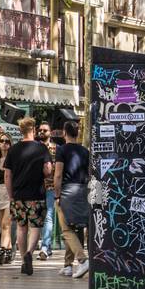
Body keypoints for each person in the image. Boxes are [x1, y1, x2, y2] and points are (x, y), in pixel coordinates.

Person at [3, 117, 53, 277]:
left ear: (20, 130)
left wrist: (11, 195)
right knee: (36, 227)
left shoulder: (13, 149)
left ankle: (24, 259)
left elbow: (7, 175)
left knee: (21, 228)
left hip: (18, 195)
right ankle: (30, 253)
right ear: (33, 129)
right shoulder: (41, 148)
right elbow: (48, 170)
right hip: (37, 194)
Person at [52, 119, 91, 277]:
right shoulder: (85, 151)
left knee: (67, 228)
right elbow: (89, 172)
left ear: (64, 132)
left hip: (67, 191)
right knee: (78, 227)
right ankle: (68, 265)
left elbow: (58, 174)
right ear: (78, 133)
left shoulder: (61, 150)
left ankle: (82, 260)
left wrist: (57, 194)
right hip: (82, 190)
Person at [35, 120, 57, 261]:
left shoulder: (56, 149)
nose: (42, 132)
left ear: (50, 132)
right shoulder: (34, 148)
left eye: (45, 130)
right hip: (35, 187)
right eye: (40, 130)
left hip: (50, 187)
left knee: (48, 216)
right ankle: (47, 247)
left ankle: (44, 247)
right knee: (37, 218)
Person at [0, 129, 13, 262]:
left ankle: (2, 250)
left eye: (7, 141)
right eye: (2, 141)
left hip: (9, 193)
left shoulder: (13, 159)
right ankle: (9, 250)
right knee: (1, 225)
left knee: (6, 224)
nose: (4, 143)